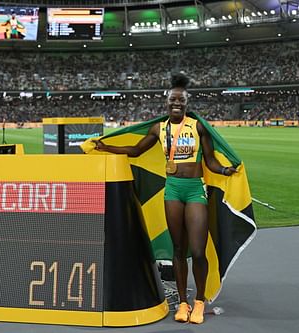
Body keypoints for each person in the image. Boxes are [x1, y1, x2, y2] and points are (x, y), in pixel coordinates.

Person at [94, 73, 236, 324]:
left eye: (180, 100)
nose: (176, 104)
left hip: (194, 190)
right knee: (178, 249)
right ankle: (182, 304)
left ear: (187, 103)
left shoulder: (197, 126)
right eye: (172, 100)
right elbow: (136, 150)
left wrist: (225, 170)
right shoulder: (159, 128)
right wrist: (107, 147)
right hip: (172, 190)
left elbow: (211, 161)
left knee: (198, 250)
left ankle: (199, 302)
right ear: (166, 102)